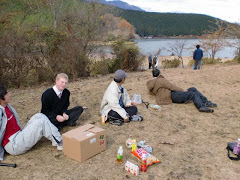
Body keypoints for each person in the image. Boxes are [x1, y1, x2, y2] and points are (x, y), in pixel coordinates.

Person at [0, 85, 63, 161]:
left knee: (40, 116)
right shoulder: (0, 112)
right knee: (41, 122)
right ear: (1, 98)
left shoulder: (7, 106)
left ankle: (55, 138)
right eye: (6, 94)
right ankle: (60, 142)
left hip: (19, 134)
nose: (9, 94)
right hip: (13, 144)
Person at [146, 69, 217, 113]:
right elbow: (172, 87)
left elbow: (152, 92)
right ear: (159, 74)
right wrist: (183, 90)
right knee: (192, 94)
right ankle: (201, 106)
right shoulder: (161, 80)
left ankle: (205, 102)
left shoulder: (152, 82)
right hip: (170, 96)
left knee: (193, 88)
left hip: (168, 94)